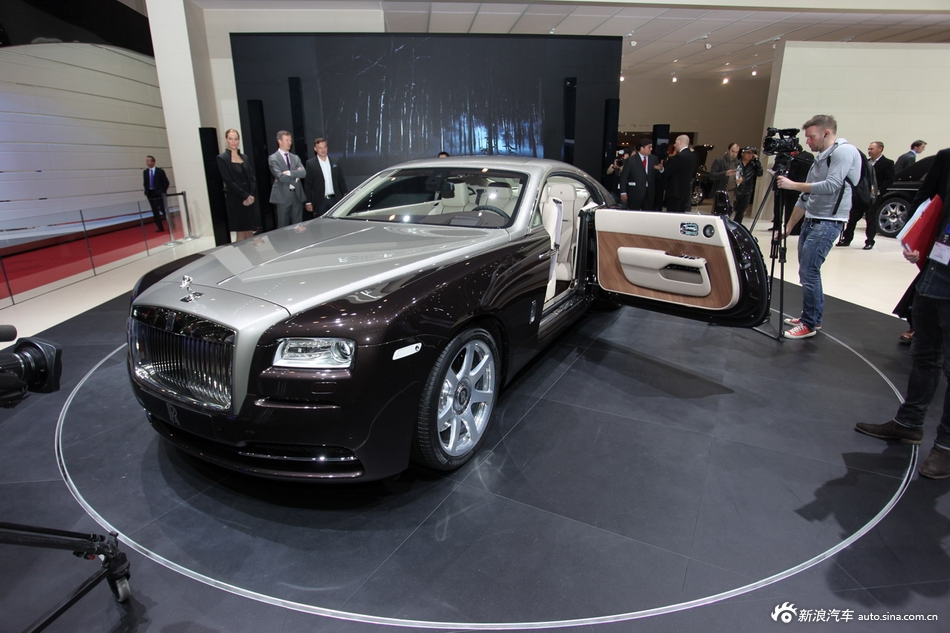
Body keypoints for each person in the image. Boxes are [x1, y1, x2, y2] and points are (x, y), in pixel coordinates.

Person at [854, 147, 950, 479]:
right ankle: (909, 423)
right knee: (924, 353)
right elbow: (927, 197)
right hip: (937, 268)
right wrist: (913, 237)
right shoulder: (947, 158)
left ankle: (945, 447)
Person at [776, 114, 861, 340]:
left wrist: (793, 185)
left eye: (811, 137)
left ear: (826, 133)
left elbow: (832, 185)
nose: (808, 142)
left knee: (809, 271)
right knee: (807, 270)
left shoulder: (844, 152)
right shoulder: (820, 158)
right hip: (812, 220)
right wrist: (788, 226)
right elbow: (806, 196)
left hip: (828, 222)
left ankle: (809, 322)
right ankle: (812, 316)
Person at [838, 141, 896, 249]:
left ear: (880, 149)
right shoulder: (865, 162)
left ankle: (869, 241)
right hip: (861, 194)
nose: (869, 151)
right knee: (853, 217)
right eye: (869, 149)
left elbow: (890, 179)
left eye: (872, 149)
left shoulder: (888, 163)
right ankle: (846, 239)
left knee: (870, 218)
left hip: (874, 195)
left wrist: (879, 190)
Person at [216, 128, 260, 241]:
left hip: (249, 199)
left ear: (239, 140)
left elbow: (252, 178)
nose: (233, 141)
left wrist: (250, 195)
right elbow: (228, 181)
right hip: (236, 199)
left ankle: (251, 253)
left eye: (236, 139)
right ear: (226, 140)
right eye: (231, 139)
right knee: (241, 232)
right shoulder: (222, 158)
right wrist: (245, 196)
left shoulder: (244, 157)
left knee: (249, 232)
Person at [268, 130, 306, 227]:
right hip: (283, 196)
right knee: (283, 226)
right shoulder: (273, 158)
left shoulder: (295, 158)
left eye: (290, 140)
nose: (290, 142)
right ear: (279, 141)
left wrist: (289, 173)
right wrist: (296, 178)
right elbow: (280, 177)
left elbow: (303, 173)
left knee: (298, 227)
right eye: (287, 140)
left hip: (297, 195)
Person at [304, 137, 348, 218]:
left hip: (335, 199)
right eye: (320, 148)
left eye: (324, 147)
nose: (323, 150)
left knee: (337, 222)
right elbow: (308, 184)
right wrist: (308, 202)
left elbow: (341, 180)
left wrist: (346, 194)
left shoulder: (335, 161)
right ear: (315, 149)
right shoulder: (311, 164)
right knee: (321, 223)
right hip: (320, 202)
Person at [618, 138, 659, 210]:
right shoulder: (631, 160)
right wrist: (623, 192)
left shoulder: (654, 159)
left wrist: (661, 170)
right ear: (642, 148)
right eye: (649, 147)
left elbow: (657, 175)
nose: (651, 149)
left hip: (649, 193)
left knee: (647, 212)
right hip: (635, 192)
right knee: (634, 212)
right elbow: (624, 177)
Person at [662, 135, 697, 213]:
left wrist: (662, 169)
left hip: (674, 193)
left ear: (680, 142)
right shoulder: (693, 156)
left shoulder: (679, 157)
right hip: (685, 192)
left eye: (675, 142)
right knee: (681, 214)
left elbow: (667, 173)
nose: (674, 145)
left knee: (673, 215)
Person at [732, 146, 763, 224]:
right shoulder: (737, 163)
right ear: (742, 154)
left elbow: (760, 173)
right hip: (735, 189)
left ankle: (736, 226)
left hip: (746, 191)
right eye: (748, 153)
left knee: (741, 212)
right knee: (730, 209)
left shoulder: (753, 165)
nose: (750, 155)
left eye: (752, 153)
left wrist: (757, 161)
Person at [708, 143, 739, 209]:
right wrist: (725, 174)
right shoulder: (719, 161)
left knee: (729, 211)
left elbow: (741, 175)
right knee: (718, 211)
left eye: (736, 152)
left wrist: (741, 179)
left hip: (732, 192)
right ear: (728, 150)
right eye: (733, 151)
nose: (734, 154)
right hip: (720, 191)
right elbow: (711, 175)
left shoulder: (738, 163)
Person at [143, 155, 169, 232]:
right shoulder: (145, 172)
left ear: (153, 161)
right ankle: (160, 227)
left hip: (159, 194)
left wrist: (161, 191)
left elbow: (166, 182)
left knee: (163, 209)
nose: (147, 162)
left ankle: (170, 224)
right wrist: (146, 191)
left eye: (148, 161)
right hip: (150, 194)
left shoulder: (160, 171)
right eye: (146, 161)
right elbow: (145, 183)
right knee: (155, 211)